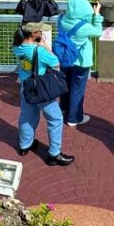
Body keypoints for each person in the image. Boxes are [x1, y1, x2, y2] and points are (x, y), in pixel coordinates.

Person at [14, 22, 75, 166]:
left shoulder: (17, 47)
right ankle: (54, 154)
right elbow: (56, 63)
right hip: (39, 89)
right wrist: (44, 45)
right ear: (34, 34)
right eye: (40, 31)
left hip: (25, 86)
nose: (42, 33)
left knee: (27, 116)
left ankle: (25, 145)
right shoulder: (38, 51)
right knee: (56, 118)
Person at [57, 0, 104, 126]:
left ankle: (64, 109)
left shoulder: (61, 19)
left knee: (65, 85)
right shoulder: (84, 27)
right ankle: (74, 118)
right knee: (77, 89)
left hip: (65, 59)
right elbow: (98, 32)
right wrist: (97, 15)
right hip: (80, 61)